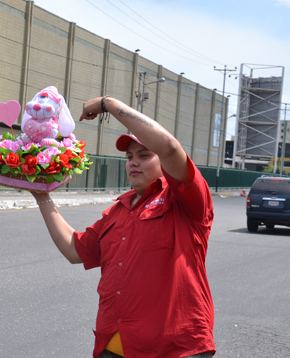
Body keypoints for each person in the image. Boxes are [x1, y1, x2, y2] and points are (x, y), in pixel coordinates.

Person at [31, 95, 215, 358]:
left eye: (144, 155)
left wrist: (109, 104)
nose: (133, 162)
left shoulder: (185, 201)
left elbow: (171, 149)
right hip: (114, 347)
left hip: (176, 350)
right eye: (129, 156)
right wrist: (42, 196)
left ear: (161, 161)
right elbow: (75, 249)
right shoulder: (117, 211)